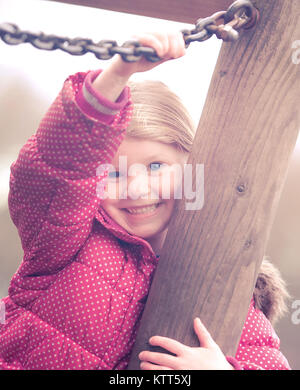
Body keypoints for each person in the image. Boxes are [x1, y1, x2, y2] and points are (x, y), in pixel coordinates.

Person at [0, 31, 291, 370]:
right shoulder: (64, 239)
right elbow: (55, 171)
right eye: (113, 173)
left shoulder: (228, 284)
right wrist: (117, 76)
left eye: (156, 166)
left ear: (191, 168)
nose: (136, 189)